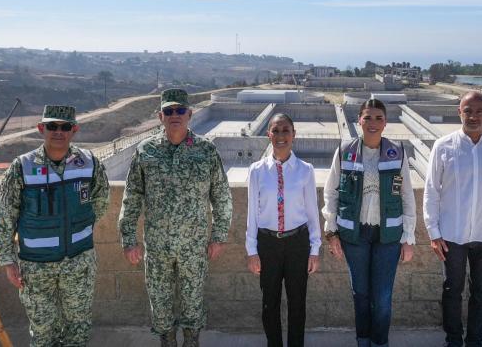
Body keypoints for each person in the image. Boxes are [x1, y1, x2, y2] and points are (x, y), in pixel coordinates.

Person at [118, 88, 232, 347]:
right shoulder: (145, 151)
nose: (175, 115)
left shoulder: (205, 151)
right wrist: (128, 239)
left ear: (190, 114)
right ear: (160, 116)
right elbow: (132, 197)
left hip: (194, 248)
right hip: (157, 250)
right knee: (160, 309)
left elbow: (221, 197)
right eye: (169, 111)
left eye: (180, 110)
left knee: (193, 309)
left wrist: (219, 236)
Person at [0, 104, 110, 347]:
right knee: (43, 329)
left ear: (74, 130)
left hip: (79, 262)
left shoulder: (88, 163)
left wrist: (80, 228)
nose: (58, 131)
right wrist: (7, 260)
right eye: (52, 126)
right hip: (36, 266)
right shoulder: (22, 167)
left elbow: (100, 202)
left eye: (65, 126)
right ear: (41, 128)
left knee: (78, 327)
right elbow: (5, 216)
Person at [321, 99, 416, 347]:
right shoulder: (345, 151)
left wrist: (408, 237)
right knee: (360, 295)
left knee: (382, 297)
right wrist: (331, 231)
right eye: (368, 117)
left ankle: (379, 342)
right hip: (355, 235)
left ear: (385, 122)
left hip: (389, 237)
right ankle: (363, 340)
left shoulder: (397, 152)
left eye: (378, 118)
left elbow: (407, 194)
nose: (373, 123)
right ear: (359, 121)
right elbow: (331, 192)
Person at [423, 91, 482, 347]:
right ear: (459, 112)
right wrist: (433, 232)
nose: (473, 116)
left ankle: (475, 341)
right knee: (452, 291)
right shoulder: (443, 146)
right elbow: (431, 190)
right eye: (468, 111)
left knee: (481, 293)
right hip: (452, 235)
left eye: (479, 111)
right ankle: (453, 340)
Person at [246, 113, 321, 347]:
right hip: (267, 244)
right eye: (275, 131)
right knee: (270, 304)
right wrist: (252, 250)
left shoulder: (305, 170)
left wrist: (315, 249)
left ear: (294, 135)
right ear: (268, 134)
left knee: (297, 303)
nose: (281, 136)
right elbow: (252, 213)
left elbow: (312, 212)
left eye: (285, 130)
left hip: (297, 244)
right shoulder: (256, 170)